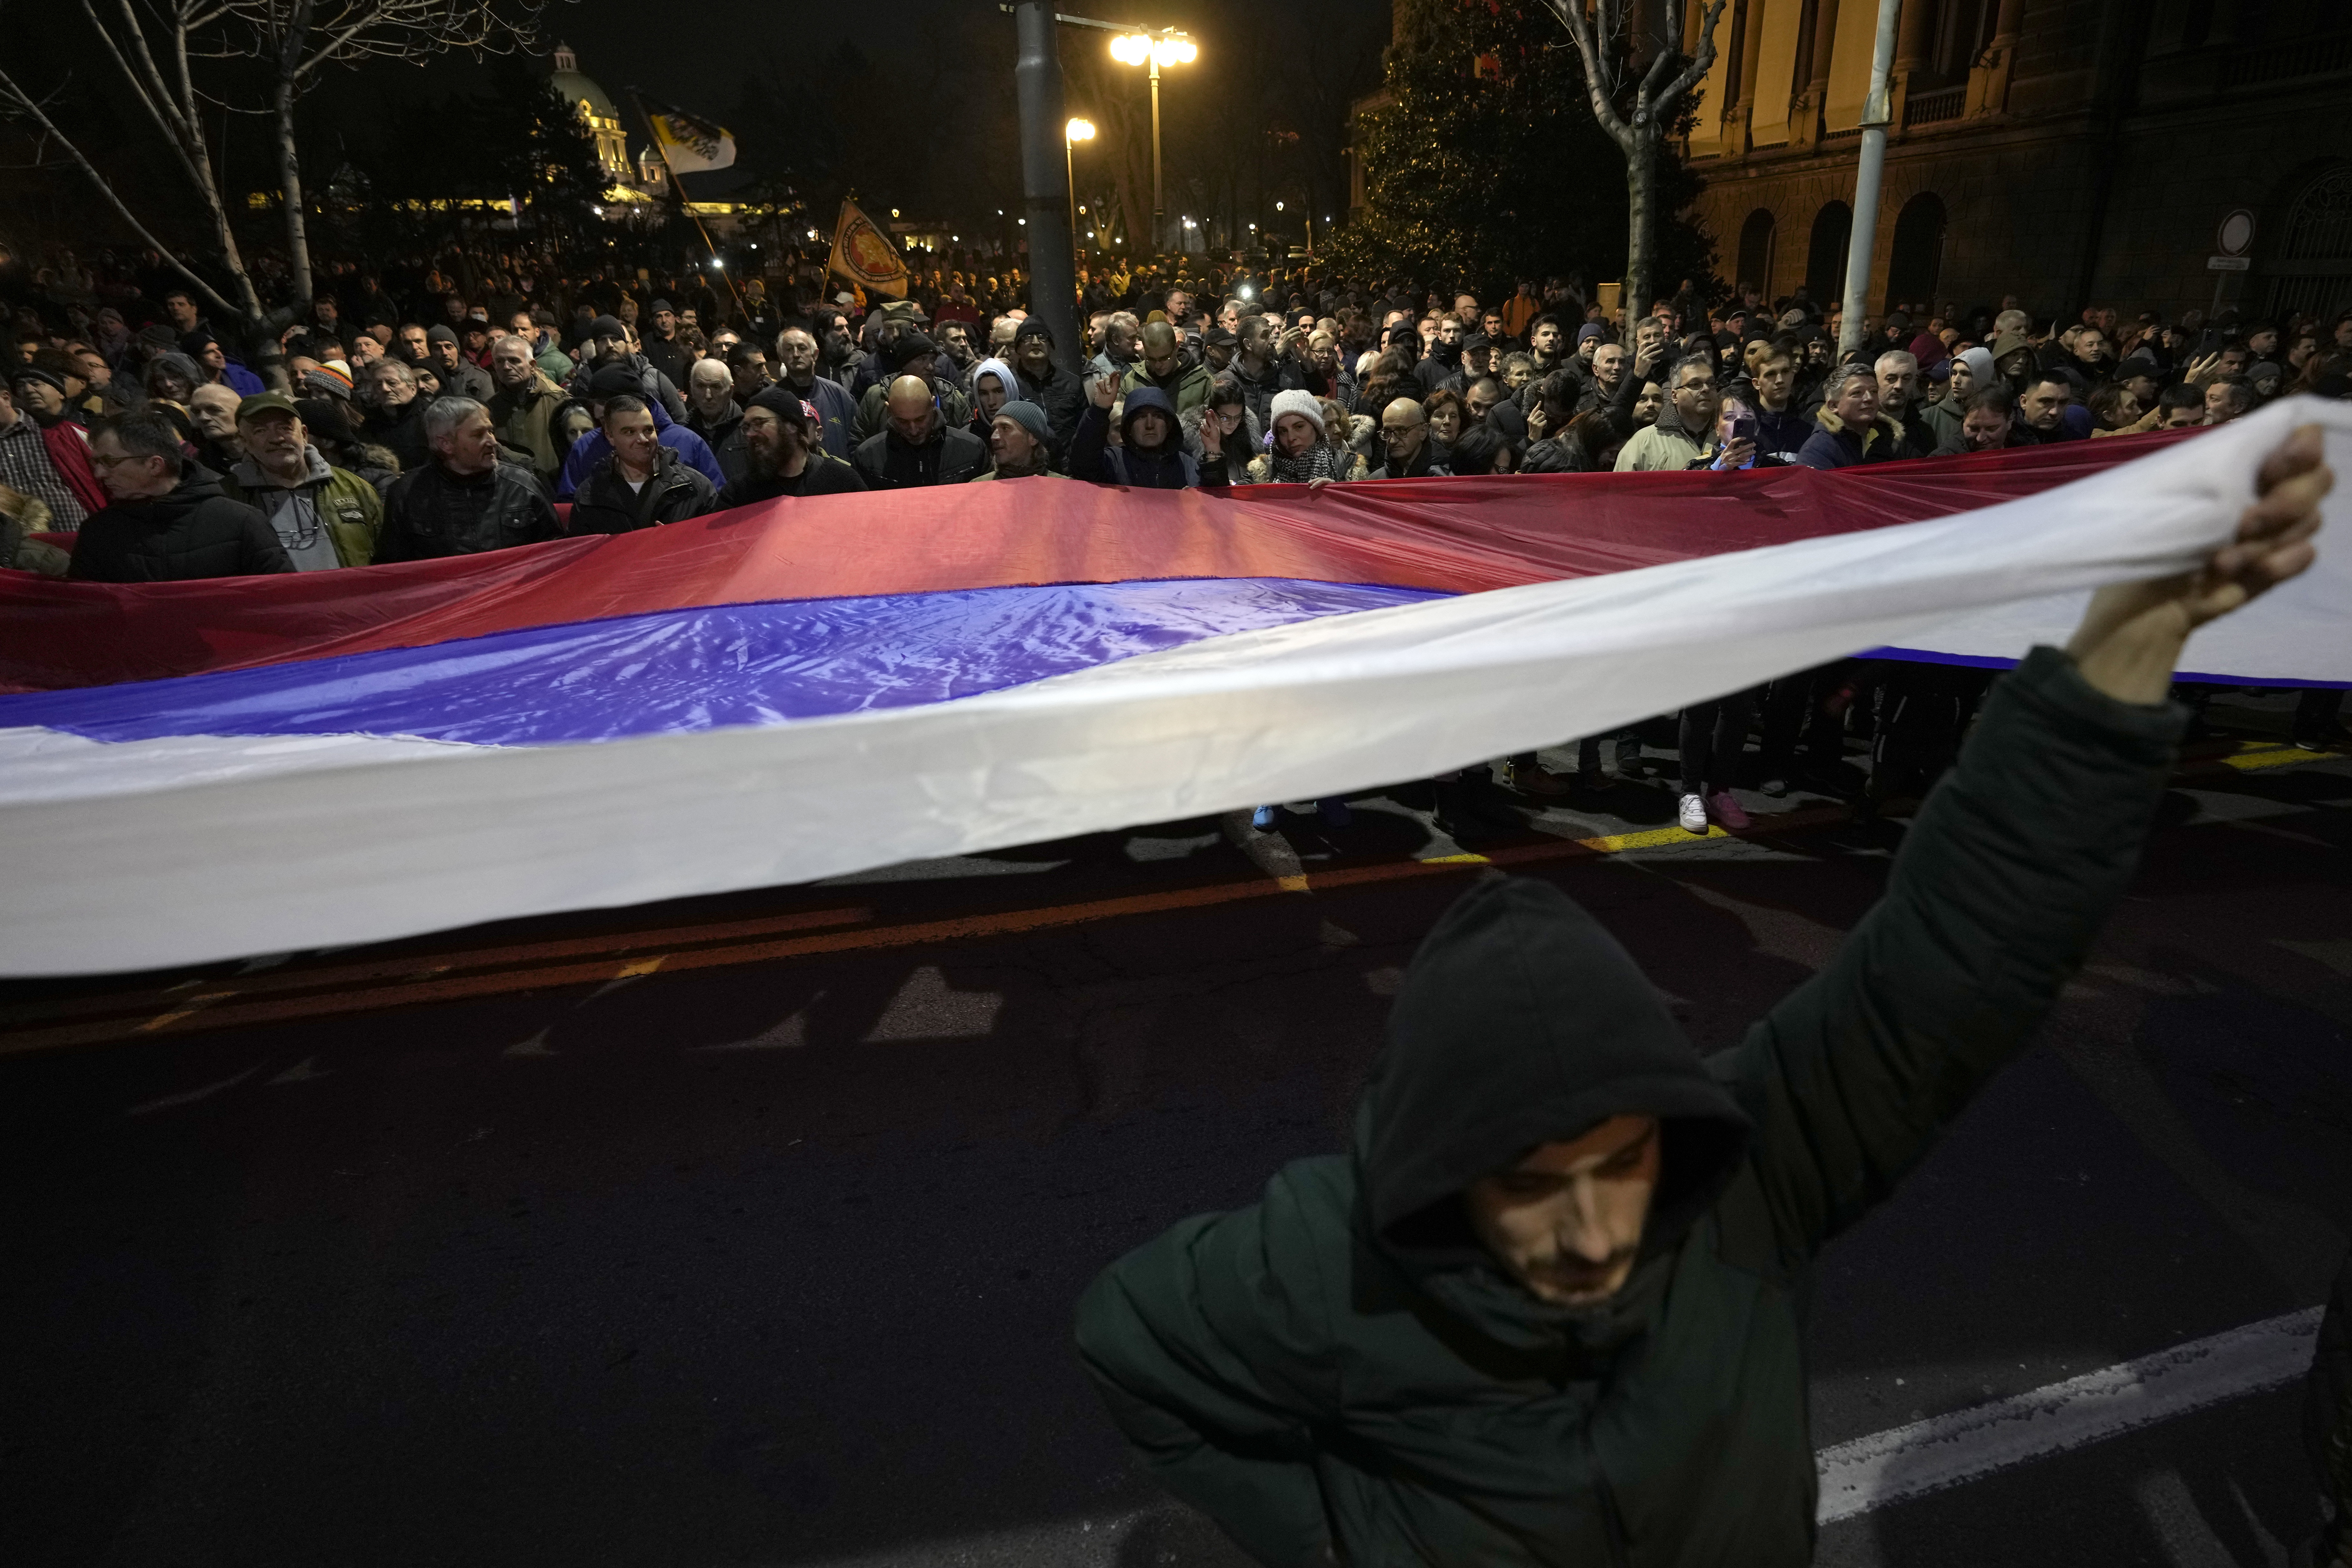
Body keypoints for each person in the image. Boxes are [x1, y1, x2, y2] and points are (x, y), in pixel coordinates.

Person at [1076, 422, 2332, 1568]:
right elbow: (1127, 1342)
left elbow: (1950, 958)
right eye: (1530, 1183)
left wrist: (2126, 646)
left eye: (1618, 1159)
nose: (1593, 1232)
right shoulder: (1323, 1258)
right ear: (1433, 1164)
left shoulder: (1740, 1183)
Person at [69, 411, 291, 581]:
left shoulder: (241, 521)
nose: (99, 474)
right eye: (96, 463)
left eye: (109, 462)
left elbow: (280, 599)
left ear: (154, 464)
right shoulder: (98, 532)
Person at [374, 396, 561, 562]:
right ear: (446, 444)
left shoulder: (523, 485)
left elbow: (558, 554)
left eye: (491, 431)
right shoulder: (406, 494)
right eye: (479, 435)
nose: (493, 442)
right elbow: (393, 569)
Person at [216, 392, 380, 569]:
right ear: (245, 442)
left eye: (285, 428)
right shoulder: (227, 499)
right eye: (260, 431)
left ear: (304, 434)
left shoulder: (354, 486)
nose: (277, 439)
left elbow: (385, 553)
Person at [557, 363, 725, 500]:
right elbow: (569, 507)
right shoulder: (584, 448)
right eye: (595, 403)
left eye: (604, 403)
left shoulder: (689, 442)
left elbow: (715, 502)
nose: (597, 412)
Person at [567, 394, 716, 534]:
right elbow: (581, 555)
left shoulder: (696, 488)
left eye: (648, 430)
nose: (643, 439)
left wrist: (681, 542)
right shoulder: (589, 497)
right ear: (610, 437)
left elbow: (719, 548)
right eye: (630, 432)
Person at [714, 386, 867, 507]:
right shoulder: (738, 494)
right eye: (747, 427)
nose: (750, 434)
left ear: (792, 426)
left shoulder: (842, 482)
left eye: (759, 424)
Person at [1070, 378, 1224, 489]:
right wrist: (1100, 410)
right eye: (1141, 417)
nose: (1150, 425)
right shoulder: (1113, 462)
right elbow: (1082, 465)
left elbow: (1217, 503)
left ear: (1169, 425)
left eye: (1158, 416)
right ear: (1129, 427)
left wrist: (1213, 453)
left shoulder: (1187, 466)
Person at [0, 375, 103, 530]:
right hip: (24, 545)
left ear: (6, 397)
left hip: (78, 533)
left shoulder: (59, 432)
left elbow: (104, 478)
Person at [852, 374, 987, 489]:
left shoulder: (973, 450)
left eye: (920, 420)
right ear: (889, 411)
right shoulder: (868, 458)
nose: (914, 430)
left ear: (933, 405)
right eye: (903, 422)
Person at [485, 333, 571, 485]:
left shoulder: (559, 402)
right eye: (500, 361)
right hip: (510, 490)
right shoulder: (488, 410)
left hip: (553, 487)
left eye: (514, 361)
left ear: (532, 366)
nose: (506, 367)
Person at [1615, 359, 1720, 471]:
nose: (1706, 389)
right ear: (1675, 396)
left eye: (1711, 383)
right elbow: (1618, 488)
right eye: (1695, 384)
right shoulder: (1643, 442)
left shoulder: (1731, 436)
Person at [1796, 365, 1908, 469]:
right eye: (1857, 393)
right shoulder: (1817, 451)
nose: (1869, 398)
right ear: (1833, 406)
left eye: (1874, 391)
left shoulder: (1890, 438)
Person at [774, 327, 859, 459]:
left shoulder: (840, 395)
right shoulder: (771, 400)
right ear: (781, 357)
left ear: (815, 355)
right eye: (789, 349)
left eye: (802, 348)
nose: (796, 355)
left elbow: (857, 441)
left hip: (837, 474)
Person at [1008, 318, 1085, 458]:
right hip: (1027, 465)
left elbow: (1085, 427)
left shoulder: (1071, 382)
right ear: (1018, 348)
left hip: (1070, 465)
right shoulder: (1009, 383)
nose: (1036, 342)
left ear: (1051, 346)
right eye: (1028, 338)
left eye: (1042, 337)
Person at [1123, 321, 1214, 415]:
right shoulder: (1132, 380)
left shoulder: (1202, 381)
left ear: (1177, 347)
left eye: (1164, 359)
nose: (1158, 366)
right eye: (1151, 359)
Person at [683, 359, 745, 482]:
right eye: (701, 386)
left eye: (716, 387)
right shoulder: (685, 433)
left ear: (730, 391)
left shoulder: (748, 430)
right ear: (692, 389)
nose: (708, 396)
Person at [975, 400, 1061, 481]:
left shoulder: (1064, 488)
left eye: (1005, 428)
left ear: (1033, 438)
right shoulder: (978, 487)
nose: (994, 437)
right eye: (994, 429)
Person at [1935, 382, 2031, 455]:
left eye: (1992, 429)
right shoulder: (1942, 460)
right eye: (1974, 429)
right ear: (1964, 419)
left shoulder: (2028, 450)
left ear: (2010, 421)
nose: (1980, 439)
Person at [423, 325, 493, 402]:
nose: (444, 353)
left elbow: (487, 409)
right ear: (431, 352)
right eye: (437, 348)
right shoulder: (425, 377)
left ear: (457, 349)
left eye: (449, 347)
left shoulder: (479, 376)